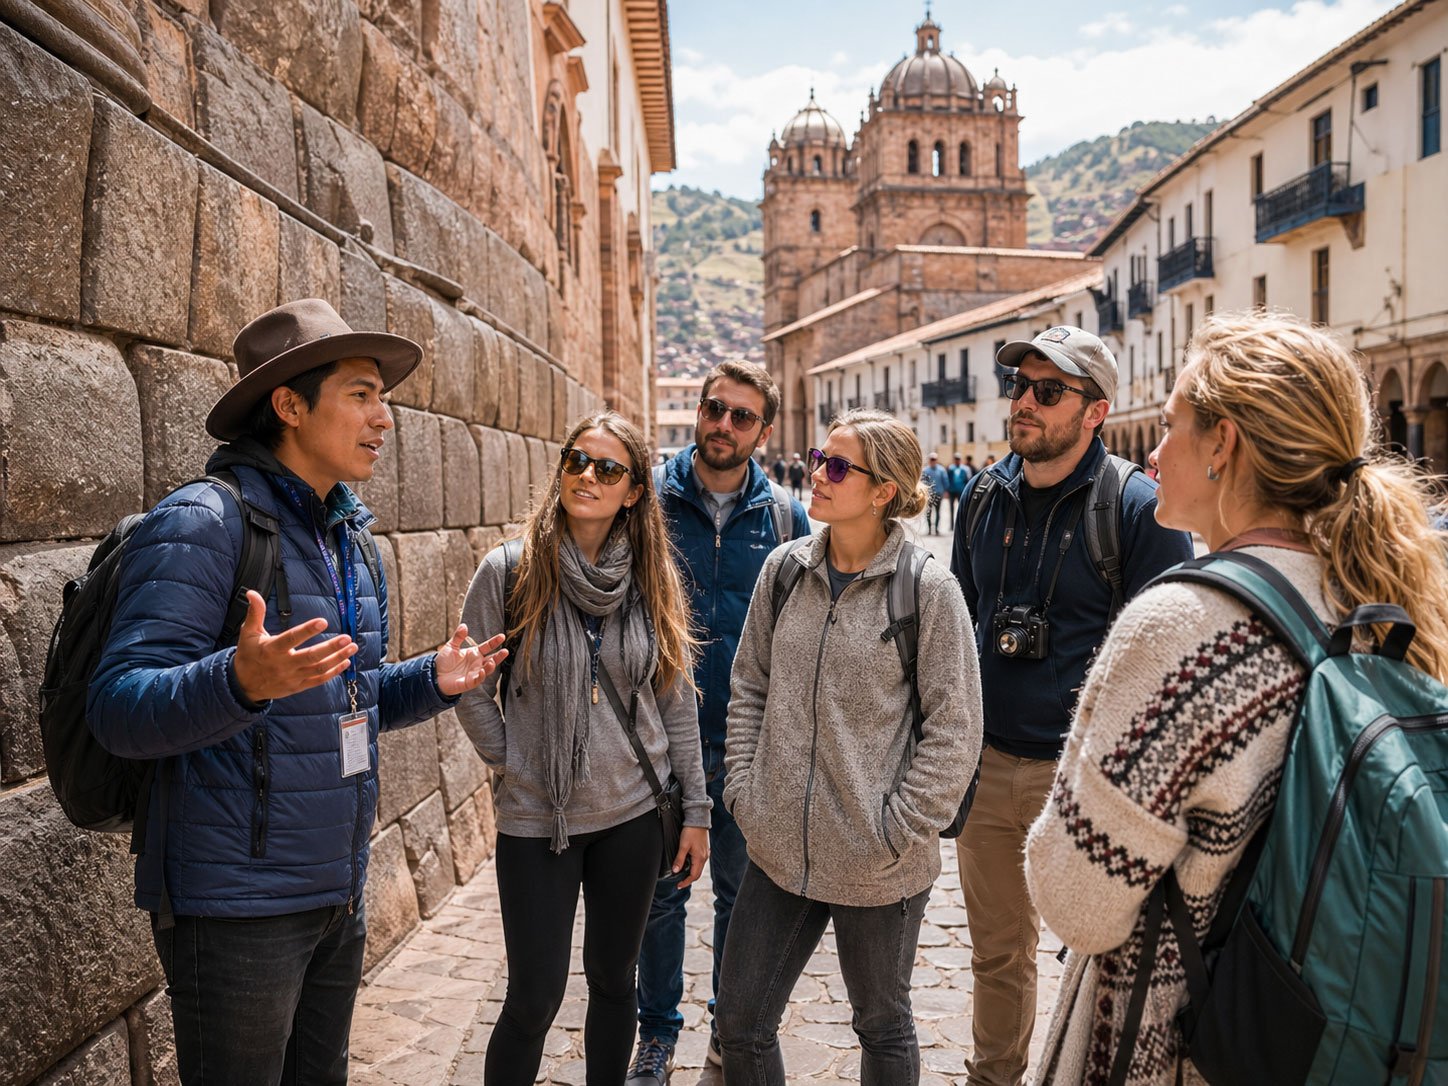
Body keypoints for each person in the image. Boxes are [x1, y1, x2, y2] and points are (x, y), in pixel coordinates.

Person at [87, 298, 508, 1086]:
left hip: (333, 892)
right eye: (360, 394)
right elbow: (119, 707)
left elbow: (339, 698)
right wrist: (238, 680)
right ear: (288, 404)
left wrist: (431, 681)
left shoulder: (347, 537)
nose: (384, 418)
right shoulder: (204, 523)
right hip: (234, 909)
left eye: (382, 397)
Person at [1024, 312, 1448, 1085]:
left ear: (1224, 445)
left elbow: (1076, 902)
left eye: (1173, 425)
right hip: (1323, 1033)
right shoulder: (1380, 599)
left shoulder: (1184, 628)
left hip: (1183, 1050)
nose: (1152, 453)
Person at [950, 326, 1192, 1086]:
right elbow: (958, 628)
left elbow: (1164, 660)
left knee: (1107, 960)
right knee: (997, 953)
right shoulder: (984, 498)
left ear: (1095, 411)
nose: (1023, 402)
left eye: (1047, 391)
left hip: (1087, 781)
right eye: (1019, 386)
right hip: (988, 769)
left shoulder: (1138, 509)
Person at [716, 408, 983, 1083]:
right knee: (741, 1024)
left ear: (883, 490)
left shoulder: (928, 591)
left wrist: (895, 829)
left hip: (877, 863)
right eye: (816, 458)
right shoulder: (783, 572)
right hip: (777, 845)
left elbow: (955, 731)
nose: (817, 475)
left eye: (836, 466)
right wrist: (747, 792)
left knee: (882, 1027)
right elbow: (748, 685)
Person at [457, 411, 711, 1085]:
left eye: (606, 468)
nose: (586, 476)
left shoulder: (651, 577)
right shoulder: (509, 571)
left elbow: (674, 702)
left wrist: (697, 812)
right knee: (533, 998)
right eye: (576, 460)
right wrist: (515, 761)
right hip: (540, 820)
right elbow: (469, 686)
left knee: (613, 981)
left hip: (630, 816)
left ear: (633, 492)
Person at [629, 362, 809, 1081]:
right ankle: (657, 1034)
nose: (723, 426)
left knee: (740, 901)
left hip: (747, 750)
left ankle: (728, 1031)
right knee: (659, 900)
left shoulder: (789, 521)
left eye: (741, 417)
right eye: (714, 410)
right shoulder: (645, 504)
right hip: (659, 743)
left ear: (764, 432)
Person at [922, 452, 949, 535]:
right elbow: (922, 482)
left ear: (936, 460)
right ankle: (930, 529)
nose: (933, 461)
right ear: (929, 460)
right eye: (931, 459)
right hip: (929, 495)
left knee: (938, 512)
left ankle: (936, 529)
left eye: (934, 459)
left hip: (938, 494)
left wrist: (946, 491)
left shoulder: (941, 470)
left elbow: (945, 480)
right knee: (929, 512)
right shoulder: (926, 470)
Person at [946, 453, 971, 527]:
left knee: (962, 508)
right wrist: (947, 490)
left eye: (958, 459)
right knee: (951, 508)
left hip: (961, 491)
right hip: (952, 491)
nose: (957, 460)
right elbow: (947, 479)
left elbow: (968, 480)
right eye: (956, 459)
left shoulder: (965, 469)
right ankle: (951, 525)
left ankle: (961, 524)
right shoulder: (950, 468)